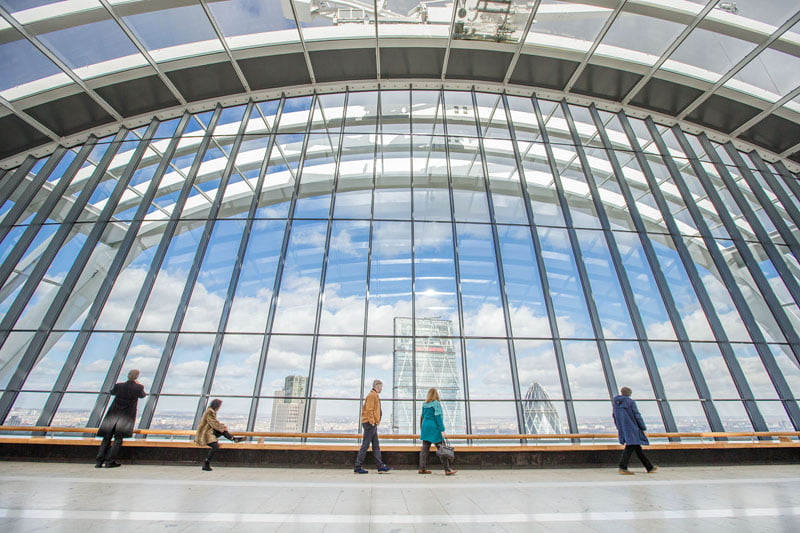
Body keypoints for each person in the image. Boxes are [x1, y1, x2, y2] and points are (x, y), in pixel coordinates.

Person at [95, 369, 147, 468]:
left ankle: (99, 461)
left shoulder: (119, 385)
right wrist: (138, 384)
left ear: (128, 375)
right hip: (126, 416)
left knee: (106, 438)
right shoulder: (139, 387)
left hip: (113, 414)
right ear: (137, 377)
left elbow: (112, 392)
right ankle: (110, 461)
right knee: (118, 439)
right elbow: (142, 395)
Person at [612, 386, 658, 475]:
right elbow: (637, 415)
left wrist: (619, 427)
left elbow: (614, 416)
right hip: (633, 428)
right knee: (630, 447)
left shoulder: (616, 403)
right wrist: (643, 428)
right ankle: (622, 467)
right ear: (629, 393)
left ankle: (649, 467)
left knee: (637, 448)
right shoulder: (630, 402)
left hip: (624, 428)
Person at [195, 398, 245, 471]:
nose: (220, 407)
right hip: (205, 434)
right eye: (219, 406)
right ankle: (206, 462)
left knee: (222, 431)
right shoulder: (210, 412)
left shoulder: (210, 411)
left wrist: (222, 427)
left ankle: (234, 439)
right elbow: (213, 423)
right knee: (215, 446)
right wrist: (223, 427)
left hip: (208, 432)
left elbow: (214, 423)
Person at [354, 379, 391, 474]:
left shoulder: (375, 395)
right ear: (377, 386)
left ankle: (380, 466)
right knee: (366, 445)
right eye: (381, 386)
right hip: (369, 423)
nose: (381, 388)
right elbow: (369, 410)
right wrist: (372, 422)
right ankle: (358, 466)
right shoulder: (371, 396)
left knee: (375, 445)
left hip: (372, 423)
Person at [419, 388, 456, 475]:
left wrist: (422, 428)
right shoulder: (436, 404)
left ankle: (422, 468)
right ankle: (447, 469)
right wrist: (442, 430)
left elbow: (422, 416)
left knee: (425, 448)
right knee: (442, 448)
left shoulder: (424, 404)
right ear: (436, 395)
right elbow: (438, 418)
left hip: (425, 426)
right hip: (434, 427)